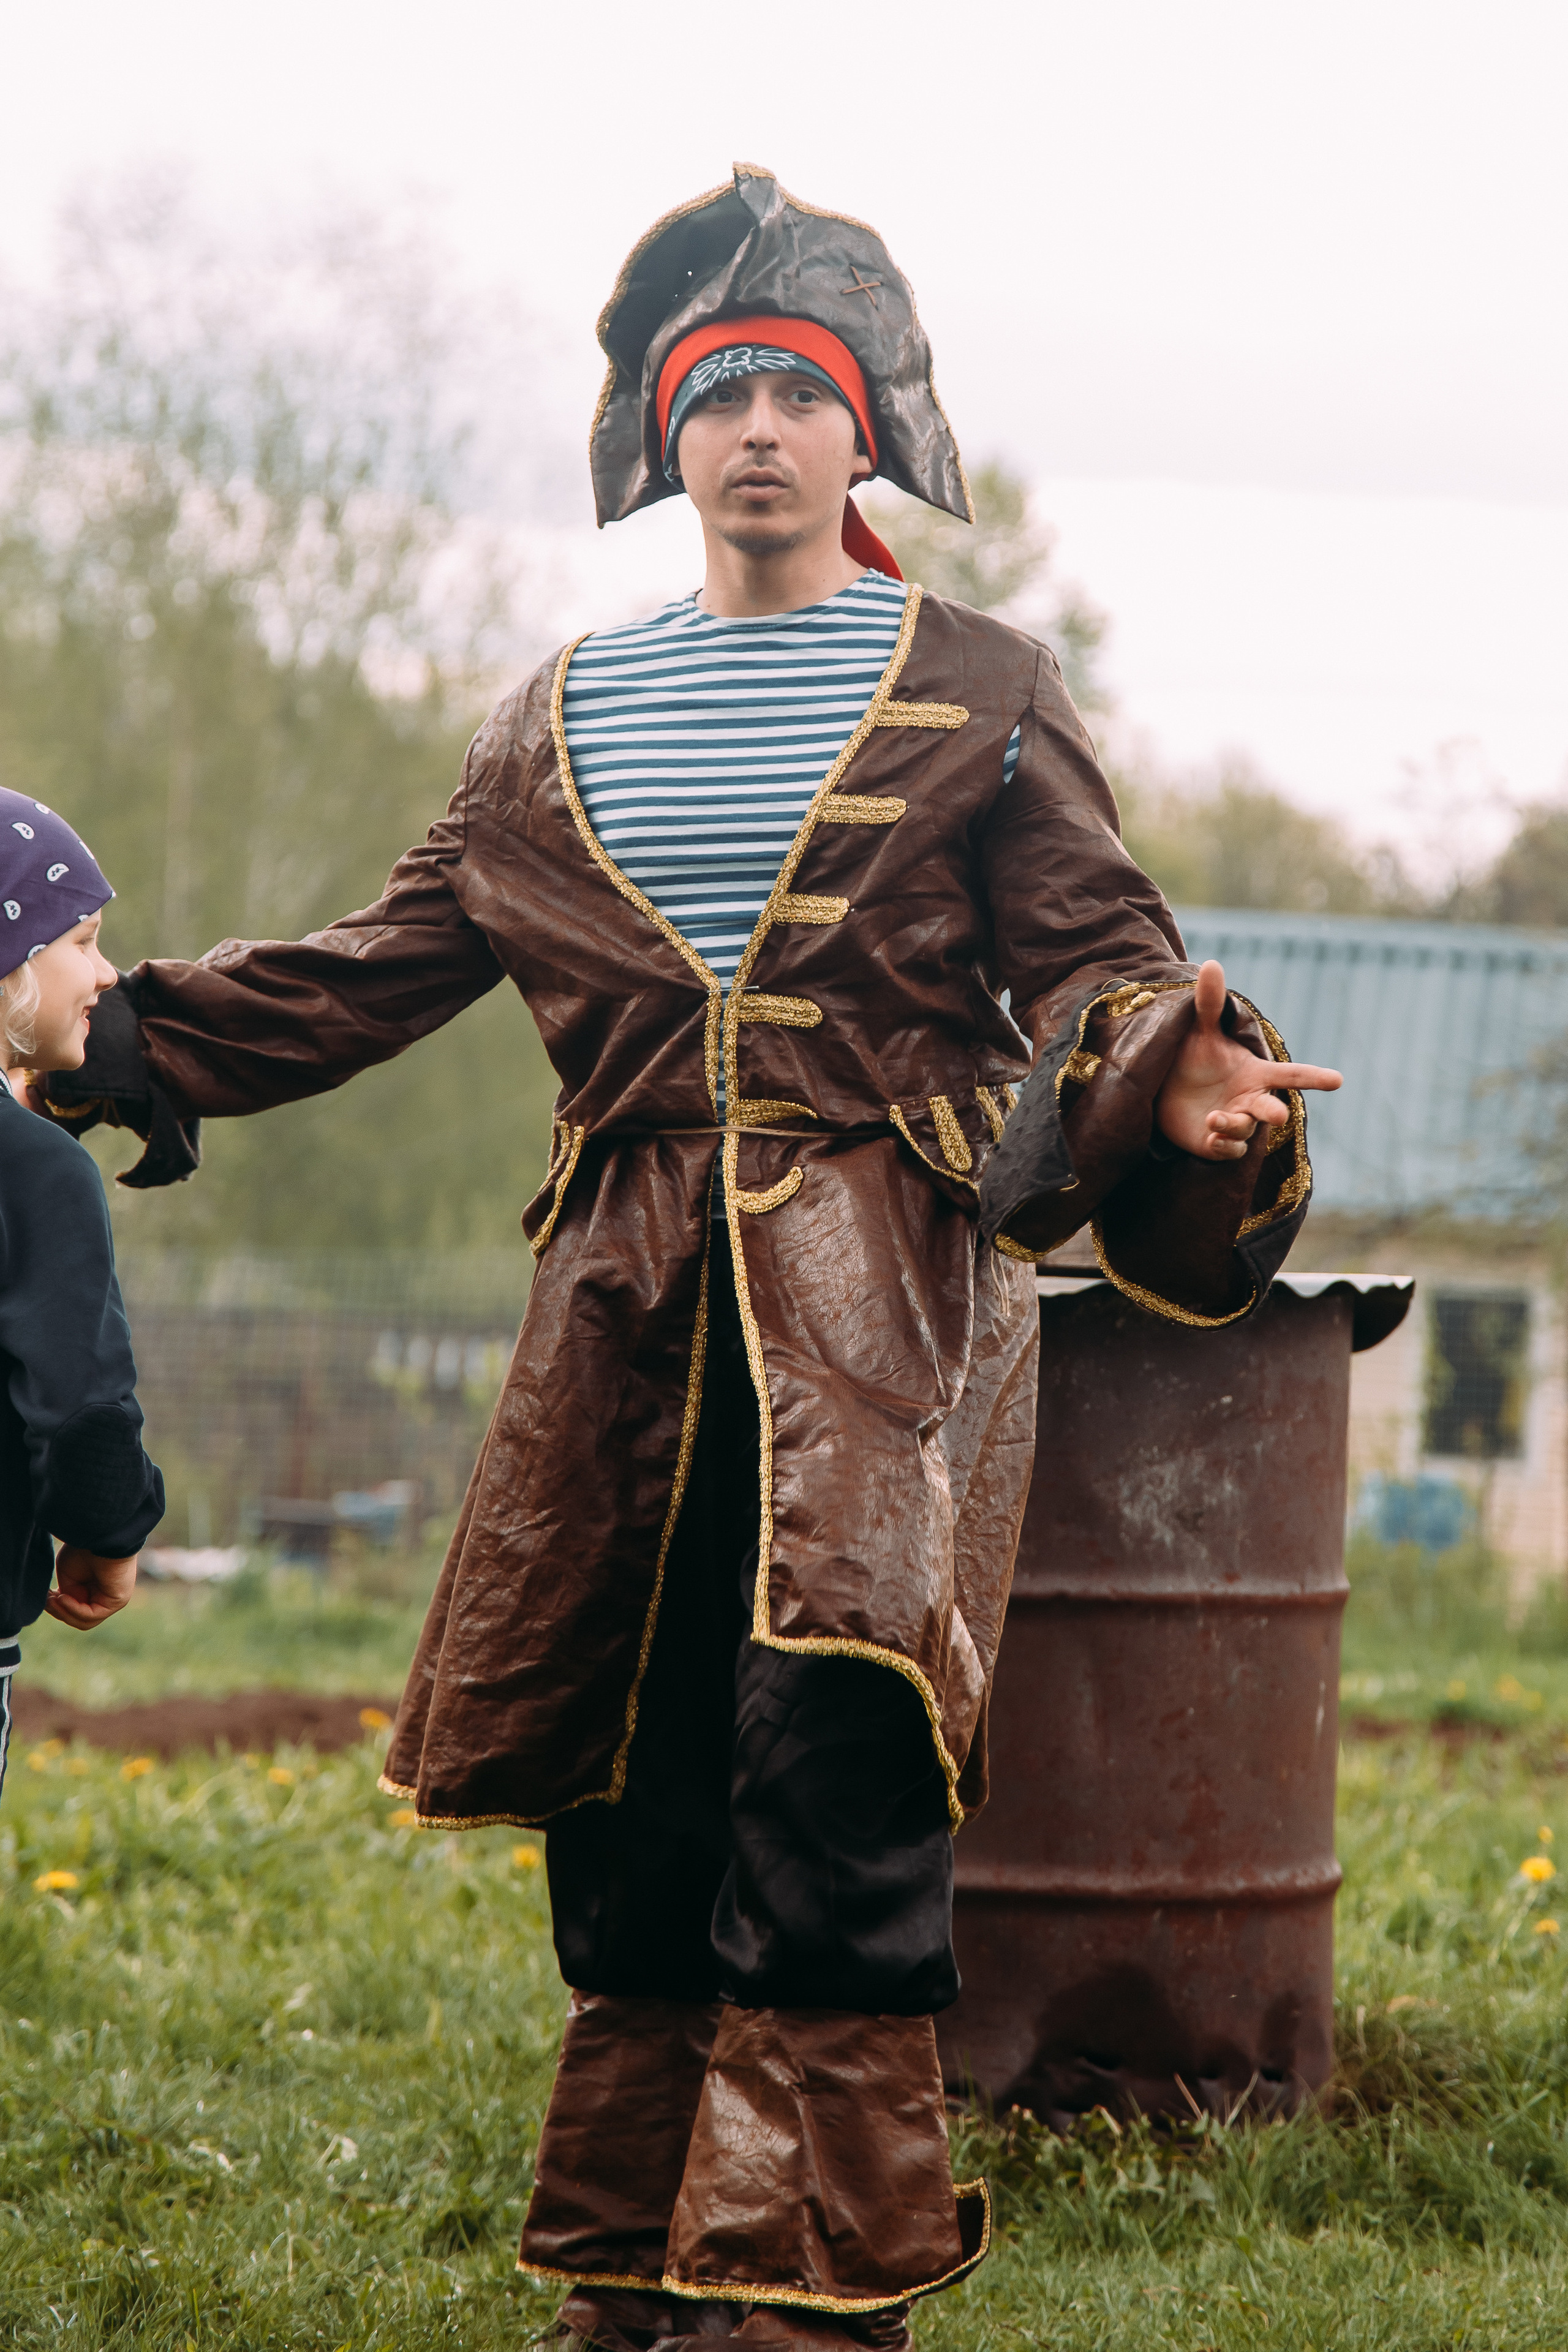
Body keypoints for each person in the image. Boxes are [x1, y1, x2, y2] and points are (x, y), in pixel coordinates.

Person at [45, 167, 1341, 2351]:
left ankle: (818, 2295)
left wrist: (1179, 1069)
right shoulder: (556, 720)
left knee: (836, 1756)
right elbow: (376, 968)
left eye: (795, 395)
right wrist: (130, 1033)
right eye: (714, 393)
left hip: (887, 1324)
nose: (753, 428)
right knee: (632, 1784)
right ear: (665, 442)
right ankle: (641, 2279)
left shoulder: (984, 692)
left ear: (869, 441)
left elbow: (1106, 960)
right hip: (626, 1325)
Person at [0, 790, 165, 1794]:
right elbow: (82, 1418)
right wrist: (110, 1532)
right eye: (84, 939)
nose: (105, 972)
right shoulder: (36, 1169)